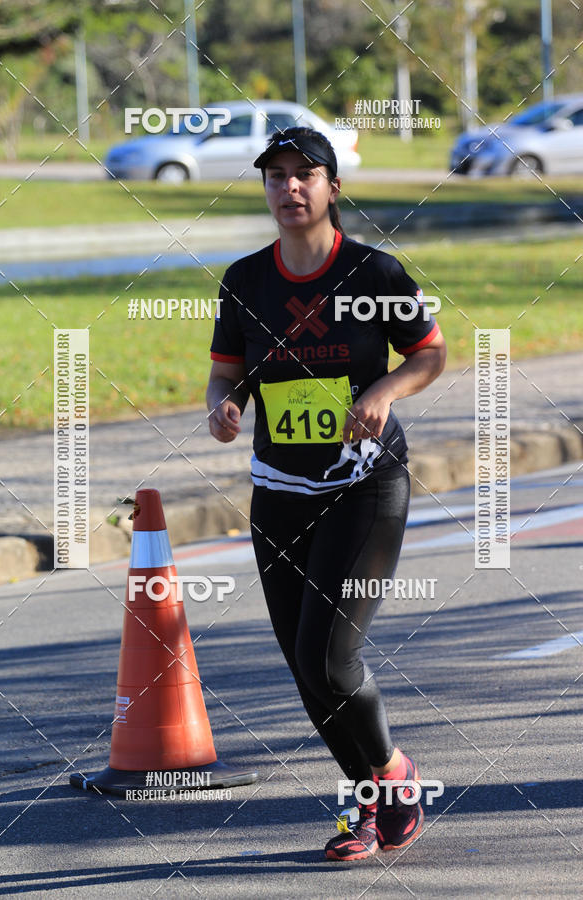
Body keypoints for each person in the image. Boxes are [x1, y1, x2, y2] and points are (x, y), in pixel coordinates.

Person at [206, 126, 446, 861]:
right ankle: (367, 806)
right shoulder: (245, 281)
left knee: (332, 657)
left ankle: (395, 775)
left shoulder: (373, 273)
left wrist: (384, 388)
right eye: (275, 176)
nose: (289, 188)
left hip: (363, 485)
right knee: (304, 667)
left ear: (332, 188)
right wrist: (223, 404)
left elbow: (431, 353)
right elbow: (227, 370)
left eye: (304, 175)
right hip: (278, 492)